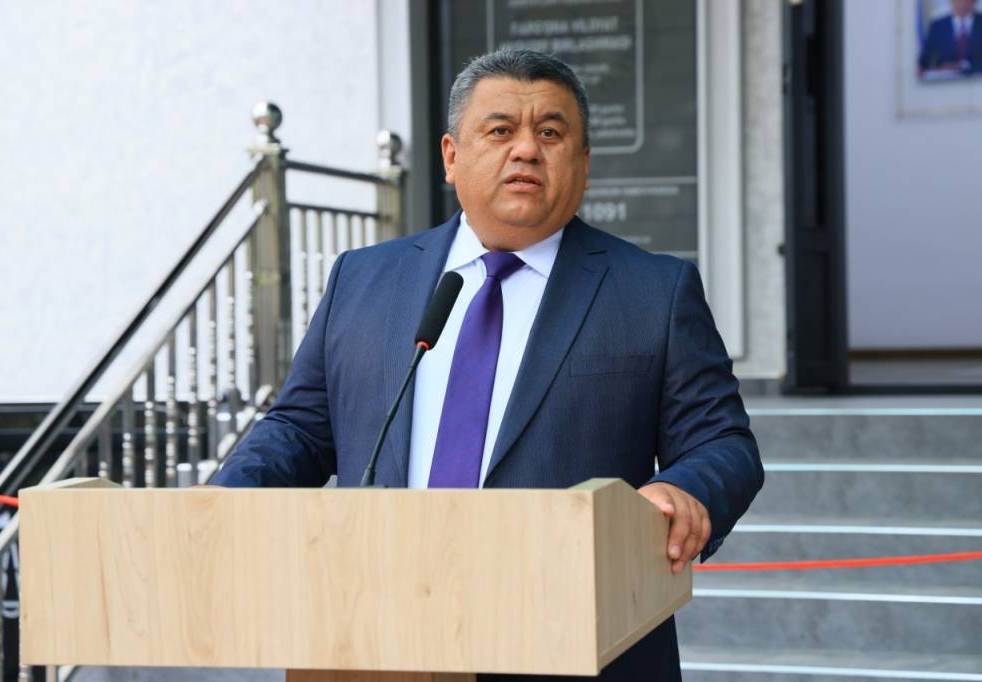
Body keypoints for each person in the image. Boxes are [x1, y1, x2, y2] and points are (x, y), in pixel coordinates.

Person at [211, 49, 762, 681]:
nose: (525, 149)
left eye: (549, 133)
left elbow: (723, 444)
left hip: (572, 638)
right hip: (375, 630)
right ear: (451, 156)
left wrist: (685, 490)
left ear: (584, 163)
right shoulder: (363, 279)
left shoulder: (654, 292)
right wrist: (223, 501)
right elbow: (301, 430)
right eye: (500, 130)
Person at [919, 0, 982, 75]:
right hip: (945, 79)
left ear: (974, 2)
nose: (962, 4)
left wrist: (965, 66)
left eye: (966, 0)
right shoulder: (938, 26)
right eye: (958, 1)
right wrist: (927, 67)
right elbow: (926, 59)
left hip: (977, 78)